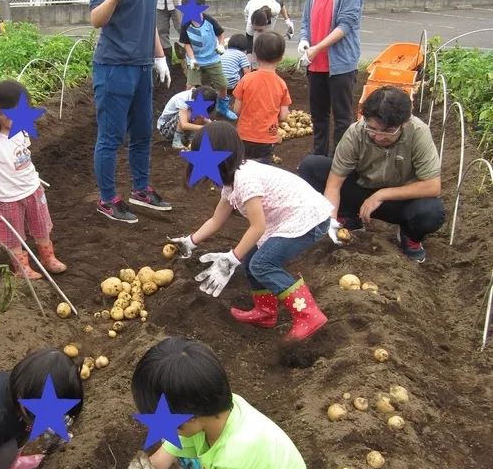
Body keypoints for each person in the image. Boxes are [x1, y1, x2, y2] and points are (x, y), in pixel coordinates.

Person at [171, 122, 334, 341]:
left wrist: (231, 258)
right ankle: (266, 313)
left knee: (262, 264)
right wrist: (191, 241)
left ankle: (308, 315)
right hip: (286, 218)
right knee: (250, 261)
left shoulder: (245, 179)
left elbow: (258, 227)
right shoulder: (230, 182)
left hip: (307, 218)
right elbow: (216, 219)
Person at [124, 337, 311, 469]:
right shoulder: (210, 410)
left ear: (190, 418)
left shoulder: (237, 458)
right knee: (181, 453)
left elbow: (235, 462)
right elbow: (162, 459)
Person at [90, 0, 172, 224]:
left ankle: (140, 189)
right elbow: (96, 19)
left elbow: (148, 18)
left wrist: (160, 55)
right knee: (111, 137)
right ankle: (108, 199)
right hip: (114, 67)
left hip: (141, 67)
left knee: (142, 133)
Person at [298, 85, 446, 263]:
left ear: (404, 123)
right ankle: (349, 217)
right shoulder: (356, 133)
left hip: (399, 201)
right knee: (312, 166)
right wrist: (330, 220)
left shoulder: (418, 133)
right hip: (362, 190)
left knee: (432, 213)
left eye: (388, 131)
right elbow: (334, 184)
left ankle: (410, 235)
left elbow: (433, 186)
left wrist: (382, 194)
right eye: (373, 129)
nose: (379, 137)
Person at [0, 80, 66, 280]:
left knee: (41, 226)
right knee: (12, 235)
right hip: (7, 197)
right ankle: (22, 267)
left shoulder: (21, 129)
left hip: (32, 190)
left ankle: (48, 258)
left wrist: (35, 178)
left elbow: (24, 156)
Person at [297, 0, 363, 157]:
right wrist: (305, 41)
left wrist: (317, 48)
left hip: (340, 65)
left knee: (342, 117)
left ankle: (340, 161)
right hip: (316, 65)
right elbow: (306, 21)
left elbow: (345, 26)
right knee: (318, 115)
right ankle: (319, 157)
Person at [179, 0, 237, 121]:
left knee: (222, 85)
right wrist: (192, 59)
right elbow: (186, 44)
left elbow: (221, 34)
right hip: (195, 61)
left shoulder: (209, 21)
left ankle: (222, 108)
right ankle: (189, 110)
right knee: (190, 87)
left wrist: (221, 45)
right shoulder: (186, 25)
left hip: (212, 59)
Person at [233, 31, 291, 164]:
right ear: (281, 57)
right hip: (267, 138)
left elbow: (237, 110)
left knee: (242, 168)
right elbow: (283, 116)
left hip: (244, 136)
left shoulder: (246, 79)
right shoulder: (281, 84)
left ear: (256, 55)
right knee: (264, 170)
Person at [157, 85, 218, 150]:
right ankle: (176, 140)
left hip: (179, 127)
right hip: (166, 128)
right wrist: (204, 127)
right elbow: (184, 125)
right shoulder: (182, 100)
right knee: (191, 113)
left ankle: (190, 140)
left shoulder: (197, 95)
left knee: (199, 114)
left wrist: (211, 124)